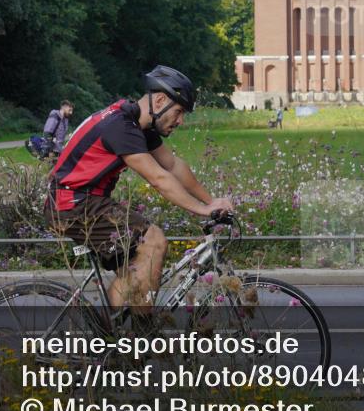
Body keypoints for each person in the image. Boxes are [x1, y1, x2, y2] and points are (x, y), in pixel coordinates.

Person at [43, 65, 234, 320]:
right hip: (72, 205)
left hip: (86, 202)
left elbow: (173, 165)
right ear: (159, 100)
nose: (180, 121)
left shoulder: (137, 123)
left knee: (134, 273)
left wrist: (212, 201)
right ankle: (140, 342)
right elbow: (158, 178)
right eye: (178, 112)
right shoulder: (120, 126)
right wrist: (202, 210)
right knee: (153, 241)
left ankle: (114, 344)